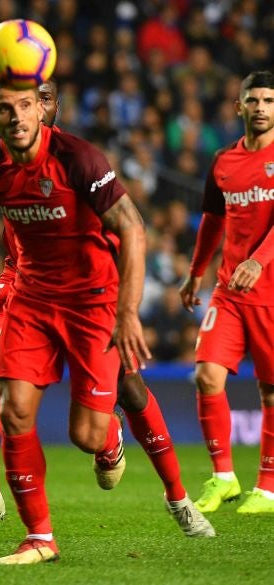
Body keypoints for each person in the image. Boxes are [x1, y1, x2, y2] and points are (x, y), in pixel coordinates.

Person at [0, 77, 213, 565]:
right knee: (6, 399)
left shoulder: (78, 158)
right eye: (10, 106)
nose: (23, 113)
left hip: (92, 299)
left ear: (49, 107)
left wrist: (128, 312)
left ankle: (157, 478)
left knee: (99, 420)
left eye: (34, 102)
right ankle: (35, 533)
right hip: (27, 288)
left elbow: (132, 228)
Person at [179, 70, 274, 515]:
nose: (260, 108)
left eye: (269, 101)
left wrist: (261, 259)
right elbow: (212, 223)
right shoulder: (223, 162)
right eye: (252, 100)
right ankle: (223, 477)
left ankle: (268, 487)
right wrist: (195, 272)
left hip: (271, 292)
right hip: (230, 291)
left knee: (271, 390)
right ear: (238, 107)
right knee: (206, 375)